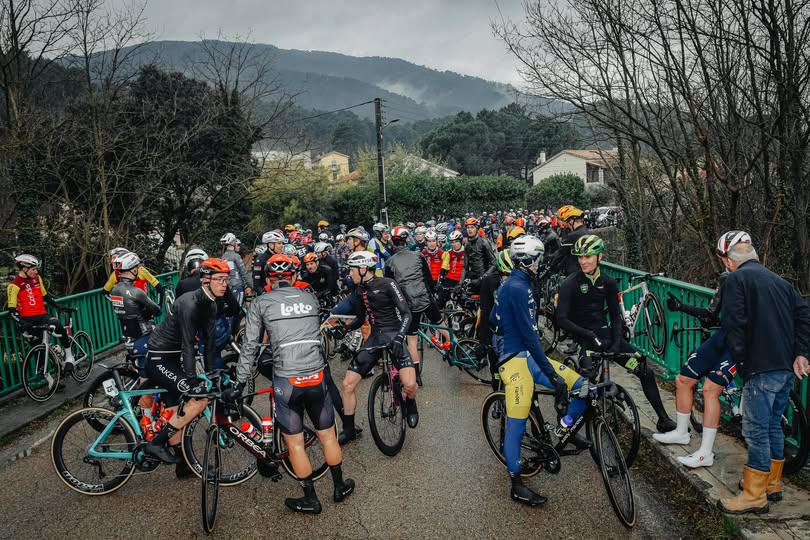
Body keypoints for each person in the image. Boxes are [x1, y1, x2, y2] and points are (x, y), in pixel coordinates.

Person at [236, 253, 355, 514]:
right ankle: (339, 486)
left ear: (269, 279)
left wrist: (240, 382)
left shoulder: (261, 302)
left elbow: (250, 346)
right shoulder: (309, 297)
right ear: (294, 276)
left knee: (296, 444)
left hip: (287, 378)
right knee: (327, 435)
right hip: (316, 374)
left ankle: (311, 499)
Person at [489, 235, 589, 507]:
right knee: (517, 424)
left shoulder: (518, 283)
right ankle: (516, 484)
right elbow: (532, 339)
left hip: (528, 355)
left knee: (582, 387)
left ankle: (562, 429)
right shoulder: (517, 287)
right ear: (528, 260)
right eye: (538, 257)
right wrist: (554, 377)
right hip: (515, 360)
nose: (541, 261)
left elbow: (492, 320)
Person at [718, 238, 810, 515]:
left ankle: (753, 495)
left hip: (760, 366)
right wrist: (801, 353)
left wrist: (742, 363)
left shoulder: (736, 280)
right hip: (785, 367)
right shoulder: (781, 282)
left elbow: (734, 324)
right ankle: (772, 483)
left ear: (729, 262)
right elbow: (804, 316)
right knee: (772, 426)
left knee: (755, 429)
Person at [554, 235, 677, 432]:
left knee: (644, 370)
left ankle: (663, 419)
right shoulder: (570, 283)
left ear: (599, 256)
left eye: (588, 257)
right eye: (580, 257)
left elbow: (615, 316)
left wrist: (617, 341)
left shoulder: (608, 283)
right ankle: (566, 424)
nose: (583, 261)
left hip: (606, 337)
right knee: (585, 385)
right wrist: (586, 334)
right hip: (585, 341)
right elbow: (561, 319)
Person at [653, 231, 745, 468]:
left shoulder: (754, 278)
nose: (725, 260)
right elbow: (711, 314)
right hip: (724, 336)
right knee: (684, 379)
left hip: (743, 342)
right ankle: (681, 432)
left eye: (728, 255)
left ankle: (705, 453)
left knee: (710, 389)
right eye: (722, 255)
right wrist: (681, 307)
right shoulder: (727, 278)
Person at [143, 258, 231, 474]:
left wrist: (213, 374)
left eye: (226, 279)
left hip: (173, 358)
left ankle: (183, 465)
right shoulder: (189, 303)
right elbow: (188, 346)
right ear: (205, 281)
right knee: (198, 399)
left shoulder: (211, 303)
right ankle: (155, 444)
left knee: (175, 410)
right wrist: (193, 381)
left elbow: (209, 344)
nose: (224, 284)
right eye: (219, 279)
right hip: (159, 358)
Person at [336, 251, 418, 444]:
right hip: (375, 337)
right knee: (348, 384)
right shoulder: (359, 290)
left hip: (394, 335)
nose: (350, 273)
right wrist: (345, 329)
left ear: (363, 269)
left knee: (410, 385)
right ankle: (349, 430)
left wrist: (400, 337)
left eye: (352, 269)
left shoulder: (388, 284)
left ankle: (411, 404)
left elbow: (407, 314)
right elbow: (360, 318)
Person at [385, 226, 449, 386]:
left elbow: (391, 287)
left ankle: (416, 375)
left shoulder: (389, 262)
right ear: (407, 240)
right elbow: (428, 279)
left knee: (411, 340)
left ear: (393, 243)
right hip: (426, 298)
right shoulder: (419, 255)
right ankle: (456, 349)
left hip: (408, 304)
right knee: (441, 325)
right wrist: (435, 290)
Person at [7, 254, 78, 369]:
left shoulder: (37, 278)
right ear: (24, 269)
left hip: (42, 316)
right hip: (28, 320)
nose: (36, 272)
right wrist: (21, 322)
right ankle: (51, 382)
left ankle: (70, 357)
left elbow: (45, 296)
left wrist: (58, 306)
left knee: (58, 325)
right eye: (33, 269)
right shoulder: (13, 285)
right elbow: (11, 309)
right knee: (39, 351)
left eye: (36, 269)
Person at [109, 252, 162, 380]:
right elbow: (157, 310)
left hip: (129, 334)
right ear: (133, 270)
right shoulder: (136, 292)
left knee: (140, 373)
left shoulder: (114, 290)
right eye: (137, 268)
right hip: (144, 335)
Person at [548, 205, 590, 276]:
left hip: (574, 273)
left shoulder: (574, 235)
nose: (565, 225)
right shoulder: (585, 231)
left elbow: (561, 253)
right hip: (585, 270)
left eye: (566, 222)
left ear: (571, 221)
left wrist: (551, 266)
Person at [463, 217, 497, 293]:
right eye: (468, 227)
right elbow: (465, 267)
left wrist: (482, 278)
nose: (470, 229)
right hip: (473, 277)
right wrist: (460, 282)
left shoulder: (484, 243)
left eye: (472, 227)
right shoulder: (467, 245)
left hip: (484, 277)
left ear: (477, 228)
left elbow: (494, 263)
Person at [437, 230, 466, 309]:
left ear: (461, 241)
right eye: (452, 242)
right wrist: (440, 282)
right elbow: (444, 267)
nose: (454, 244)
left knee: (463, 303)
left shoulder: (467, 252)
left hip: (462, 279)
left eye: (456, 241)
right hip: (450, 279)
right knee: (440, 301)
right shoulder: (448, 253)